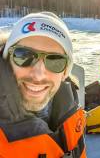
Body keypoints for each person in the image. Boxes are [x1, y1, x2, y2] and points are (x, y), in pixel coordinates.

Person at [0, 12, 86, 157]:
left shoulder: (69, 111)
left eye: (54, 61)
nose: (38, 75)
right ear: (8, 60)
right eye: (24, 56)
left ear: (65, 72)